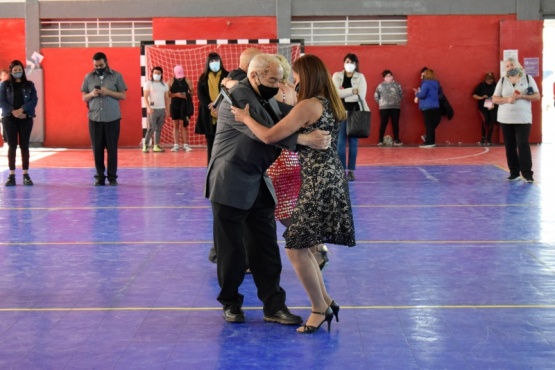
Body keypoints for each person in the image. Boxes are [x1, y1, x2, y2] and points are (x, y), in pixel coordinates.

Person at [205, 53, 333, 326]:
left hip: (257, 180)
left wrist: (316, 112)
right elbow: (265, 133)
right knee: (231, 251)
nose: (277, 84)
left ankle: (274, 306)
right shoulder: (237, 96)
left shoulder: (262, 97)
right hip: (230, 181)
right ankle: (231, 303)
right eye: (272, 79)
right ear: (254, 76)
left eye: (279, 79)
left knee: (265, 247)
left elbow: (286, 115)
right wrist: (304, 138)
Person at [232, 54, 356, 334]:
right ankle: (325, 301)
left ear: (308, 76)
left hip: (318, 181)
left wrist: (243, 118)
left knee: (296, 247)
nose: (290, 81)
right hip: (329, 177)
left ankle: (318, 309)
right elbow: (291, 108)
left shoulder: (309, 105)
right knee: (305, 245)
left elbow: (268, 136)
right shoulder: (329, 102)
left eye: (294, 76)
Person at [269, 53, 330, 271]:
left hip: (280, 158)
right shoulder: (298, 93)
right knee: (292, 207)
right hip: (296, 157)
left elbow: (272, 134)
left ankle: (311, 248)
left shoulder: (275, 92)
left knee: (283, 211)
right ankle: (316, 246)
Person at [81, 52, 127, 186]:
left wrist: (108, 92)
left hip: (112, 117)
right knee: (97, 149)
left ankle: (112, 177)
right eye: (96, 65)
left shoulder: (117, 76)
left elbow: (123, 95)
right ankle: (99, 177)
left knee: (112, 149)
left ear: (106, 62)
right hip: (95, 118)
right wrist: (92, 94)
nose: (98, 67)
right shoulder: (88, 77)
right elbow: (84, 97)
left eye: (100, 65)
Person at [492, 57, 540, 182]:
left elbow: (537, 96)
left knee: (522, 144)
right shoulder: (502, 81)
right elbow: (495, 99)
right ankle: (514, 172)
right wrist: (507, 99)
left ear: (518, 66)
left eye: (512, 65)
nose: (510, 67)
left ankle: (527, 173)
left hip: (523, 119)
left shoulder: (528, 79)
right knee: (510, 145)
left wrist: (522, 96)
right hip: (505, 119)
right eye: (507, 66)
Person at [0, 60, 38, 186]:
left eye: (19, 69)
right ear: (11, 71)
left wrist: (22, 110)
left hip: (25, 118)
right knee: (12, 146)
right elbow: (2, 101)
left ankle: (26, 175)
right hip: (9, 119)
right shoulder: (4, 85)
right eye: (15, 70)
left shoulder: (29, 85)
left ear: (23, 70)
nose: (17, 72)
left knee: (25, 146)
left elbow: (34, 100)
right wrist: (13, 112)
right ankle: (11, 175)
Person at [332, 53, 369, 181]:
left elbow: (361, 95)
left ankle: (351, 171)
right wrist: (353, 90)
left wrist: (345, 93)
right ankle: (341, 170)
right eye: (347, 61)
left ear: (356, 64)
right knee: (340, 144)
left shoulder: (361, 77)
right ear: (343, 62)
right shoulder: (337, 76)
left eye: (352, 62)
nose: (349, 64)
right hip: (340, 113)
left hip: (355, 113)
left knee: (353, 143)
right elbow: (335, 93)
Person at [195, 52, 228, 165]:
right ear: (208, 63)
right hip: (208, 115)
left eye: (216, 61)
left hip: (223, 113)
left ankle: (224, 165)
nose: (214, 63)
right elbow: (200, 95)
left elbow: (228, 93)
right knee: (211, 143)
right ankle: (211, 166)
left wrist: (219, 105)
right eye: (212, 61)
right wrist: (211, 105)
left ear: (220, 62)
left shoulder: (227, 76)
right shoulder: (203, 78)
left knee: (224, 143)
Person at [142, 66, 170, 153]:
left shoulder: (165, 85)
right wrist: (148, 107)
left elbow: (167, 98)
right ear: (152, 74)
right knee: (152, 128)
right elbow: (145, 97)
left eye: (158, 73)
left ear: (161, 74)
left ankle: (156, 145)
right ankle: (145, 145)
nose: (156, 75)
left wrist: (167, 110)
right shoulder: (148, 84)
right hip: (153, 109)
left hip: (162, 109)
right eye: (155, 73)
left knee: (159, 128)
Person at [168, 65, 194, 152]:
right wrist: (176, 95)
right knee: (175, 125)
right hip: (175, 105)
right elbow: (168, 95)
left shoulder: (187, 81)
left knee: (184, 125)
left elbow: (192, 92)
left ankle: (185, 144)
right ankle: (176, 145)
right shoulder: (170, 82)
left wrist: (187, 94)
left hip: (184, 104)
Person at [374, 69, 403, 146]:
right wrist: (381, 103)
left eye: (389, 76)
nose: (388, 77)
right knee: (383, 123)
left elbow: (401, 94)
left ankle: (397, 139)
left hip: (395, 107)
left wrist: (397, 101)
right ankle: (380, 140)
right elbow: (376, 96)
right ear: (384, 78)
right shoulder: (380, 86)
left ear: (392, 76)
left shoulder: (397, 85)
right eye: (386, 76)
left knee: (395, 123)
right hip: (384, 107)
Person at [414, 68, 441, 148]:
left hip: (426, 106)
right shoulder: (436, 83)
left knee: (428, 125)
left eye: (423, 74)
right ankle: (431, 141)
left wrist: (416, 93)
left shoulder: (425, 84)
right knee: (432, 125)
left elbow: (422, 95)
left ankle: (429, 142)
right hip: (435, 105)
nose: (422, 76)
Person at [472, 72, 498, 145]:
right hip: (483, 105)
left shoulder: (496, 85)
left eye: (491, 79)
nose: (490, 81)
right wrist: (481, 97)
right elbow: (474, 95)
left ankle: (489, 139)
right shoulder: (481, 85)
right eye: (488, 79)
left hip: (493, 105)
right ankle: (483, 138)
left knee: (492, 121)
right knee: (485, 120)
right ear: (485, 79)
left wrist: (494, 98)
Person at [0, 68, 10, 145]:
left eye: (7, 75)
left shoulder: (10, 86)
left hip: (6, 108)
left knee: (5, 122)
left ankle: (6, 140)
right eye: (4, 75)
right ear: (1, 76)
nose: (5, 76)